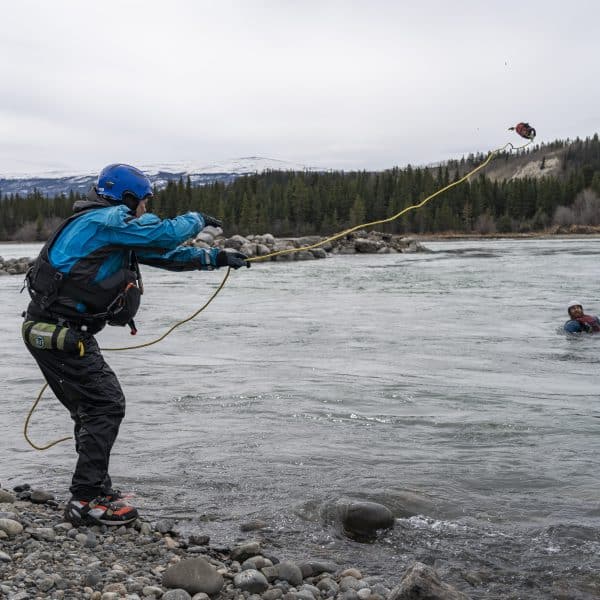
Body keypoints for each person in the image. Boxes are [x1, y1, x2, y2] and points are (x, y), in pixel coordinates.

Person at [22, 163, 249, 526]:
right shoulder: (106, 220)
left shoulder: (106, 228)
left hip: (59, 332)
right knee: (105, 405)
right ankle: (87, 501)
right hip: (61, 334)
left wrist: (215, 257)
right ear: (128, 198)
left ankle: (95, 489)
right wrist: (197, 218)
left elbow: (163, 255)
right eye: (144, 199)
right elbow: (162, 236)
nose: (145, 206)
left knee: (92, 408)